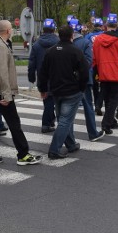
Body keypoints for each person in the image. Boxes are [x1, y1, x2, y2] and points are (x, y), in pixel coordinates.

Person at [0, 20, 40, 166]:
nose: (12, 30)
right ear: (7, 31)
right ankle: (23, 154)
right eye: (11, 28)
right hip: (0, 92)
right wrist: (7, 95)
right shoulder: (0, 46)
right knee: (14, 123)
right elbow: (2, 73)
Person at [38, 25, 89, 159]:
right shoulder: (75, 51)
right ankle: (54, 149)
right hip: (72, 91)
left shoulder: (50, 51)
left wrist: (43, 89)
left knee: (62, 118)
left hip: (56, 91)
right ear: (72, 35)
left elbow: (43, 73)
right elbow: (84, 72)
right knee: (65, 120)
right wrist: (82, 87)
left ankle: (71, 144)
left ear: (58, 35)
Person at [71, 19, 104, 141]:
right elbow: (89, 61)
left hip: (69, 80)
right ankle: (92, 133)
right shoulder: (85, 42)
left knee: (69, 110)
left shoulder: (65, 43)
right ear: (80, 29)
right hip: (84, 79)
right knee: (88, 107)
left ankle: (69, 137)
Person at [28, 18, 59, 133]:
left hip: (42, 76)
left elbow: (32, 63)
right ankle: (46, 124)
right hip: (57, 76)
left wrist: (31, 77)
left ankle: (50, 121)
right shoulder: (59, 42)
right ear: (54, 29)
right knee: (54, 100)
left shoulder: (36, 44)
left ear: (43, 29)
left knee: (47, 100)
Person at [84, 17, 105, 115]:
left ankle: (96, 103)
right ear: (101, 26)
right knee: (105, 85)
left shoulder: (88, 36)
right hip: (103, 64)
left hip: (92, 64)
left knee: (95, 86)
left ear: (94, 26)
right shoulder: (104, 35)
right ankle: (100, 104)